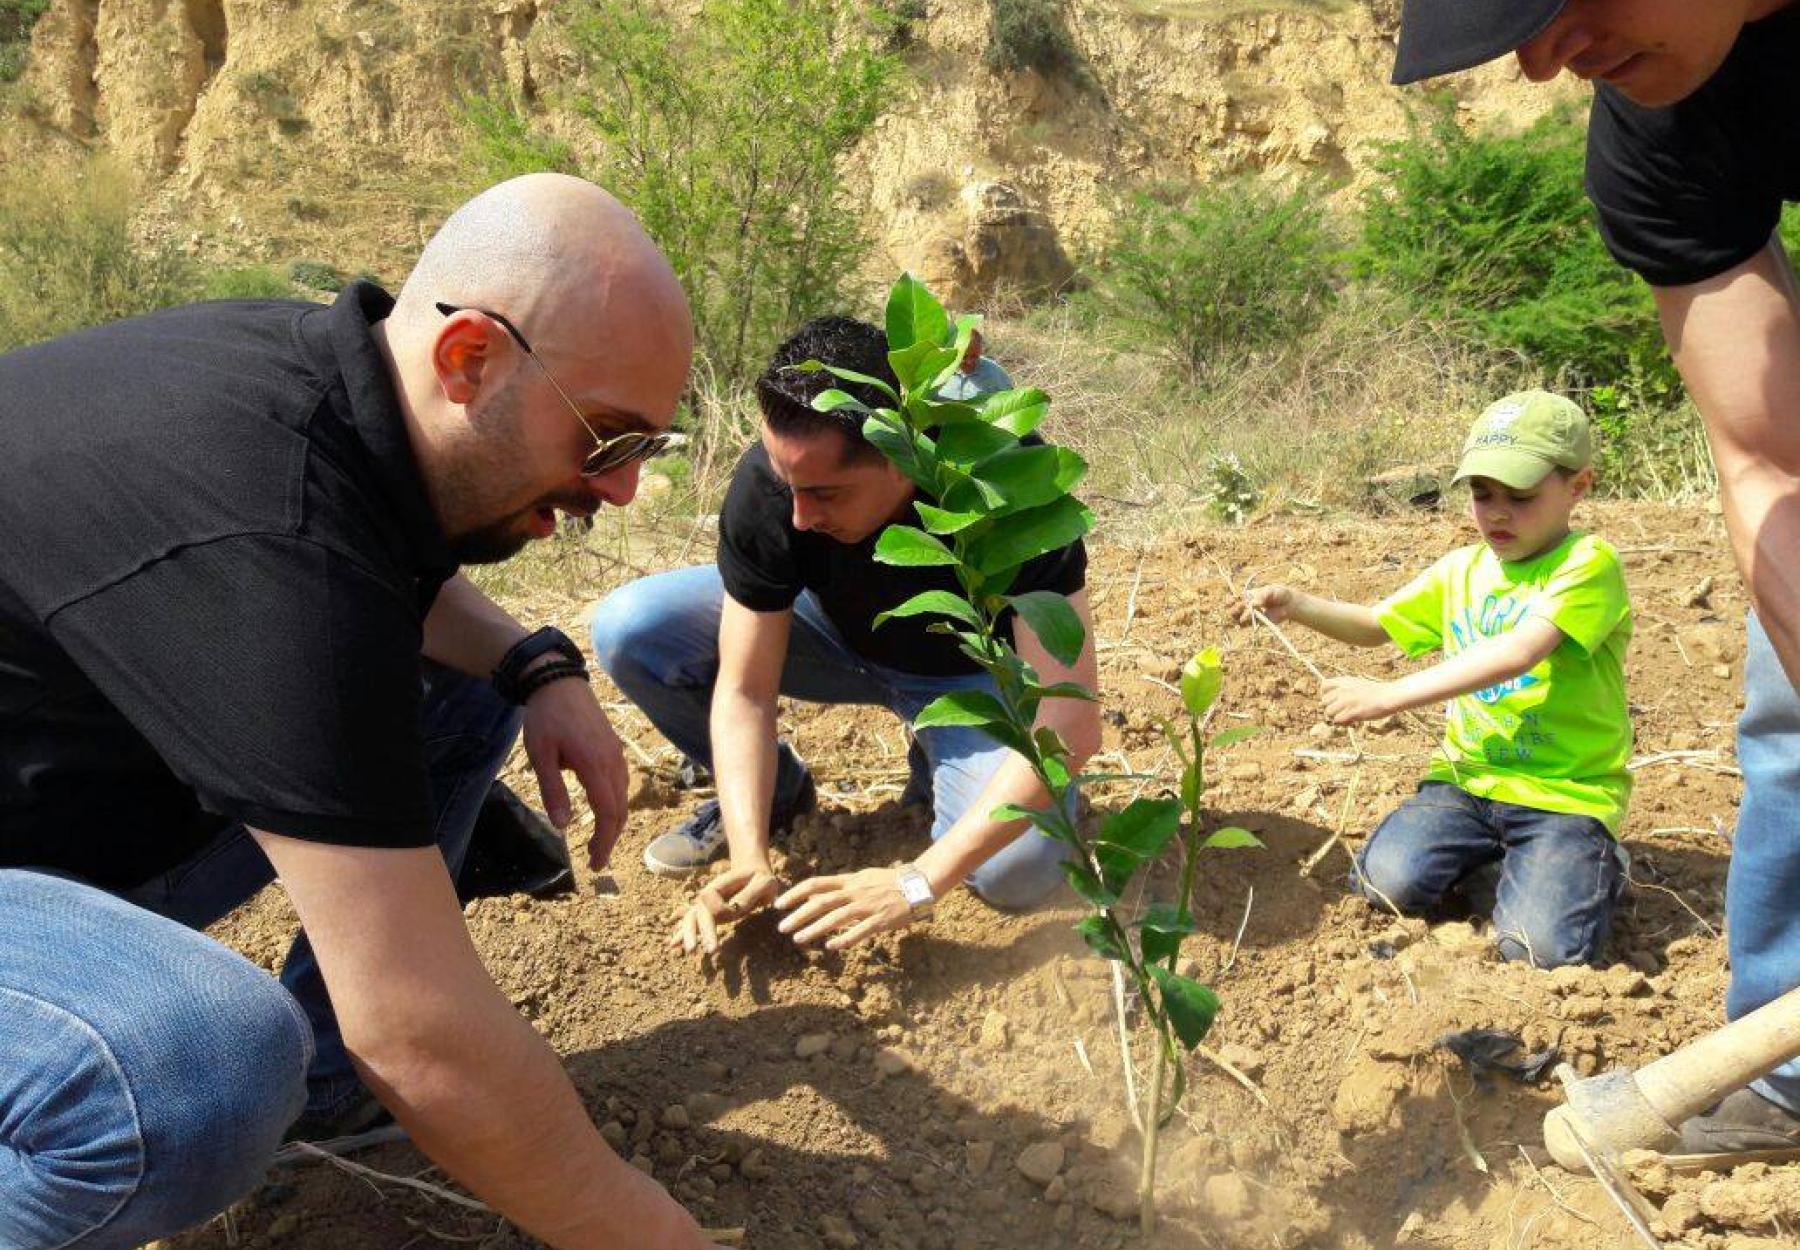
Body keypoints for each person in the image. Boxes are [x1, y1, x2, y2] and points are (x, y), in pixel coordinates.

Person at [0, 174, 725, 1249]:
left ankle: (326, 1085)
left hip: (53, 811)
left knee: (458, 695)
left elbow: (375, 564)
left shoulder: (317, 381)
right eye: (606, 439)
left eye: (643, 453)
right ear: (467, 356)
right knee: (197, 1073)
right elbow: (424, 1032)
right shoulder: (267, 532)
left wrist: (539, 665)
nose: (618, 491)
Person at [1391, 0, 1800, 1153]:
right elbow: (1773, 462)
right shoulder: (1656, 131)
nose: (1541, 59)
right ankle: (1788, 1077)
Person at [590, 315, 1100, 955]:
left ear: (901, 453)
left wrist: (918, 882)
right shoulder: (779, 483)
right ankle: (774, 795)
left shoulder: (1011, 486)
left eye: (826, 493)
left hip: (969, 674)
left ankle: (944, 750)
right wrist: (749, 856)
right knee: (631, 627)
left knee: (1015, 873)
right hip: (832, 636)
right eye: (788, 486)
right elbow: (746, 690)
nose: (799, 517)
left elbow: (1070, 728)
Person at [1237, 392, 1632, 968]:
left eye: (1520, 497)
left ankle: (1593, 866)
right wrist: (1295, 603)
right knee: (1383, 887)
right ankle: (1498, 867)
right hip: (1466, 784)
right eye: (1481, 494)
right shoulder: (1461, 570)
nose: (1497, 513)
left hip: (1564, 796)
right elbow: (1375, 625)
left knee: (1538, 951)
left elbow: (1519, 652)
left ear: (1577, 487)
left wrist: (1389, 696)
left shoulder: (1587, 564)